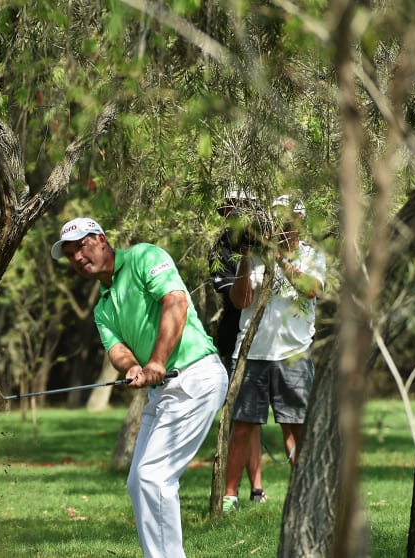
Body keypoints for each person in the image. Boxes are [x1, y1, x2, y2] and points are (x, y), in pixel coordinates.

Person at [51, 217, 228, 558]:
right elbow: (116, 348)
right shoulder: (103, 307)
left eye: (82, 246)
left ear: (101, 239)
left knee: (153, 478)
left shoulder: (144, 256)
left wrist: (157, 362)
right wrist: (132, 367)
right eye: (70, 254)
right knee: (138, 482)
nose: (78, 258)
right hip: (165, 392)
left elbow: (176, 302)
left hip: (195, 376)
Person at [222, 195, 326, 514]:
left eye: (289, 220)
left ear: (300, 221)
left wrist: (278, 257)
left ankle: (304, 496)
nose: (283, 226)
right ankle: (229, 497)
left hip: (294, 354)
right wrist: (245, 257)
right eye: (278, 220)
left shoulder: (311, 256)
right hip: (251, 354)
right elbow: (241, 301)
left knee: (296, 428)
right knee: (242, 427)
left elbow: (311, 289)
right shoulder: (254, 258)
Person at [208, 189, 265, 505]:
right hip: (236, 340)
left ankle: (256, 489)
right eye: (228, 210)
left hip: (274, 340)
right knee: (242, 419)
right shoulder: (220, 248)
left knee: (252, 420)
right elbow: (239, 299)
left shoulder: (272, 241)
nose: (234, 215)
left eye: (240, 208)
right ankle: (236, 492)